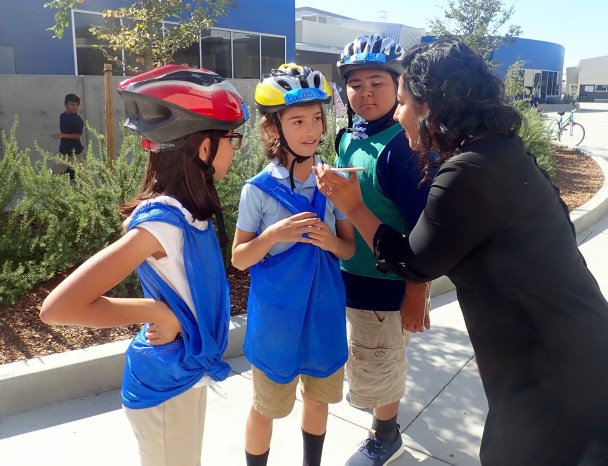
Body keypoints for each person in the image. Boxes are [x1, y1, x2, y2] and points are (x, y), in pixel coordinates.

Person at [315, 39, 608, 466]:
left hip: (556, 365)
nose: (396, 114)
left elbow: (413, 262)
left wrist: (354, 206)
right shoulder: (500, 149)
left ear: (431, 106)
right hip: (570, 347)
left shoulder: (468, 172)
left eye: (404, 102)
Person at [40, 64, 249, 466]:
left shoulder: (189, 213)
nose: (234, 149)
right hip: (165, 385)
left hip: (186, 370)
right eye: (231, 139)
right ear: (204, 148)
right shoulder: (162, 224)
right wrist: (158, 312)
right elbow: (59, 308)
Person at [230, 63, 355, 466]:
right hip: (277, 322)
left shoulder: (332, 182)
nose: (311, 130)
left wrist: (330, 241)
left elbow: (348, 250)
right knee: (266, 407)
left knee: (318, 401)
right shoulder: (257, 190)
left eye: (316, 118)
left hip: (323, 314)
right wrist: (272, 236)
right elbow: (239, 258)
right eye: (298, 121)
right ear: (273, 129)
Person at [334, 33, 434, 466]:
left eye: (377, 82)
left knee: (380, 364)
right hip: (351, 277)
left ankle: (386, 436)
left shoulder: (402, 147)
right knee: (370, 358)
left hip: (386, 286)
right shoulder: (347, 137)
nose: (366, 93)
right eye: (355, 84)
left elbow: (423, 233)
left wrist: (416, 292)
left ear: (399, 86)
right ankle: (382, 417)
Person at [51, 93, 84, 179]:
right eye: (72, 104)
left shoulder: (77, 120)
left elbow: (77, 136)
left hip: (76, 153)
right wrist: (62, 136)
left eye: (77, 105)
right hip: (64, 152)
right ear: (65, 105)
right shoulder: (62, 116)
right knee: (55, 175)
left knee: (85, 177)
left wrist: (62, 135)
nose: (75, 107)